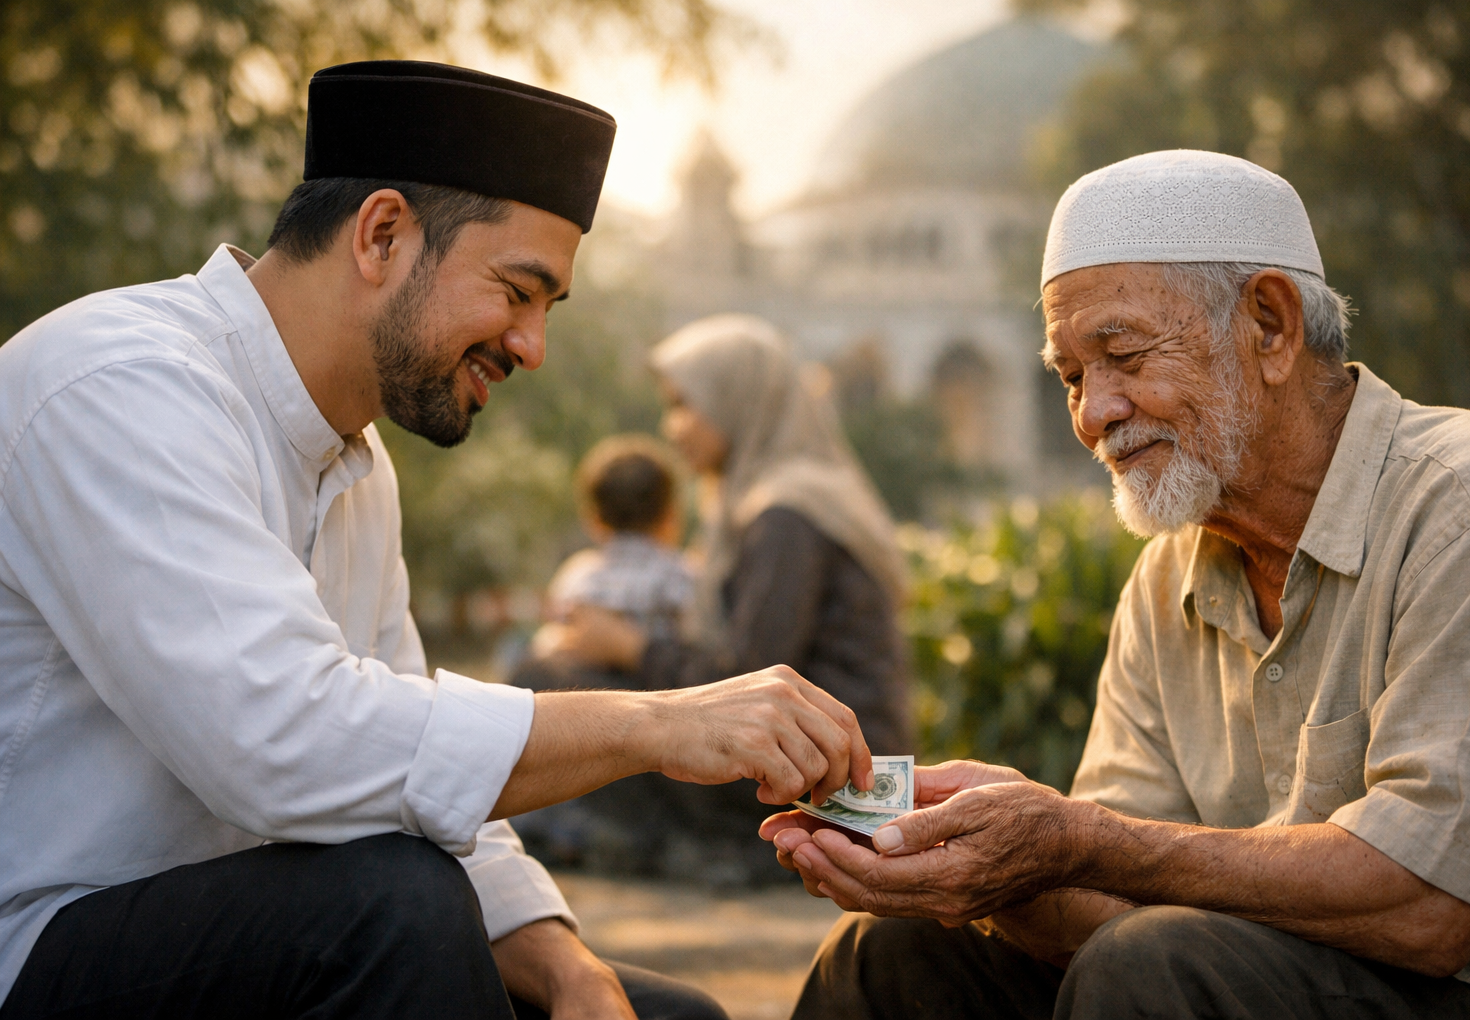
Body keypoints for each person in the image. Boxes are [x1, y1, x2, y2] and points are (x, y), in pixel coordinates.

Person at [0, 61, 875, 1019]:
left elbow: (418, 775)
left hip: (282, 931)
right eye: (517, 291)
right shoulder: (119, 385)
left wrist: (572, 973)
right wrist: (650, 722)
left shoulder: (359, 470)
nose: (533, 346)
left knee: (664, 1013)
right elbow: (284, 741)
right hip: (47, 941)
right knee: (392, 907)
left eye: (548, 309)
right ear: (381, 235)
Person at [764, 150, 1470, 1020]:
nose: (1095, 412)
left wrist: (1080, 838)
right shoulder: (1169, 573)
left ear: (1272, 327)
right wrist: (982, 865)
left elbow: (1425, 911)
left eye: (1122, 355)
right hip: (1224, 969)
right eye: (1069, 378)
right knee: (894, 953)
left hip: (1466, 997)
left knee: (1156, 963)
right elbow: (1104, 897)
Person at [542, 313, 911, 882]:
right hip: (827, 772)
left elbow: (746, 674)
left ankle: (692, 847)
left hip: (838, 792)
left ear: (739, 401)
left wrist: (626, 644)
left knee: (547, 680)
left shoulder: (787, 516)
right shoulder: (774, 504)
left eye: (686, 405)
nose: (672, 427)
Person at [535, 434, 694, 654]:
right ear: (670, 514)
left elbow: (551, 640)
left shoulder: (576, 578)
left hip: (585, 685)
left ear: (594, 520)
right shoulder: (682, 575)